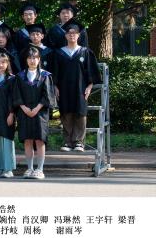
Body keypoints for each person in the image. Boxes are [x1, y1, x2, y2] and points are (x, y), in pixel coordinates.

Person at [52, 20, 101, 153]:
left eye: (74, 33)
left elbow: (91, 72)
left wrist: (89, 86)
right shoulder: (59, 53)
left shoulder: (85, 52)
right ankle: (67, 141)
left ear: (79, 35)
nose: (72, 35)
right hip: (64, 88)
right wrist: (55, 86)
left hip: (81, 88)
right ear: (65, 36)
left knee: (80, 112)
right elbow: (55, 72)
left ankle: (79, 142)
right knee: (65, 112)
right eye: (69, 33)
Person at [13, 46, 54, 179]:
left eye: (35, 58)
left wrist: (36, 108)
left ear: (39, 59)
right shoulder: (20, 76)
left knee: (39, 140)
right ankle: (30, 168)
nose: (32, 60)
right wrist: (24, 108)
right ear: (26, 60)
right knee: (28, 140)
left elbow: (47, 95)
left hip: (40, 113)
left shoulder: (45, 75)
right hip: (24, 112)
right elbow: (17, 94)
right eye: (30, 58)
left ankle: (40, 169)